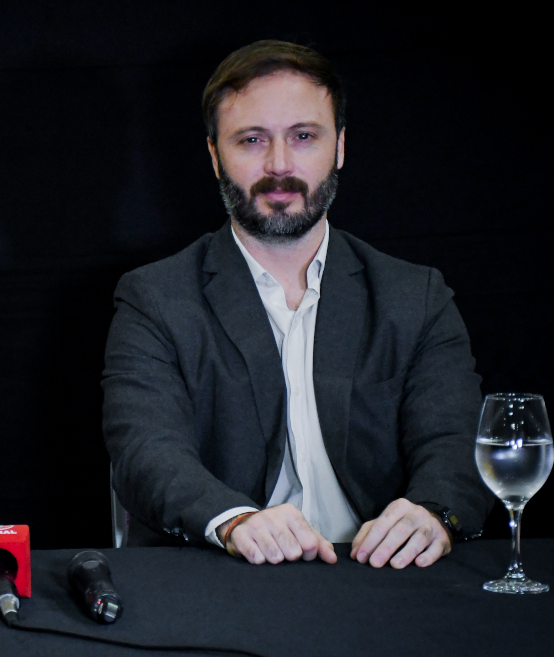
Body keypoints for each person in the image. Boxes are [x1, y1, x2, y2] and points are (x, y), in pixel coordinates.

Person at [102, 40, 494, 569]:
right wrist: (233, 520)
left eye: (303, 136)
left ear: (340, 147)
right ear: (215, 156)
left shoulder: (415, 297)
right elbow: (145, 452)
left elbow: (457, 443)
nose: (280, 165)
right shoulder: (154, 299)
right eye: (252, 140)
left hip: (383, 578)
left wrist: (433, 514)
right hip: (224, 580)